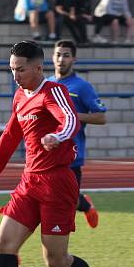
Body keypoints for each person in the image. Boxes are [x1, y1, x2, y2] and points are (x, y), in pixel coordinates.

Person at [0, 40, 125, 267]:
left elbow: (69, 120)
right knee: (4, 242)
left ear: (38, 68)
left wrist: (57, 135)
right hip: (30, 182)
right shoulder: (20, 96)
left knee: (56, 260)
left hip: (57, 183)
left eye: (21, 70)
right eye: (12, 70)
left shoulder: (54, 91)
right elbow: (10, 136)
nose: (15, 76)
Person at [51, 40, 105, 228]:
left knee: (66, 201)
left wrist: (73, 115)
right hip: (46, 154)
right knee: (45, 198)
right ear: (52, 57)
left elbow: (101, 117)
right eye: (58, 55)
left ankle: (84, 204)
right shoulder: (45, 85)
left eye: (66, 55)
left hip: (71, 155)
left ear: (74, 59)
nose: (61, 59)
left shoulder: (82, 87)